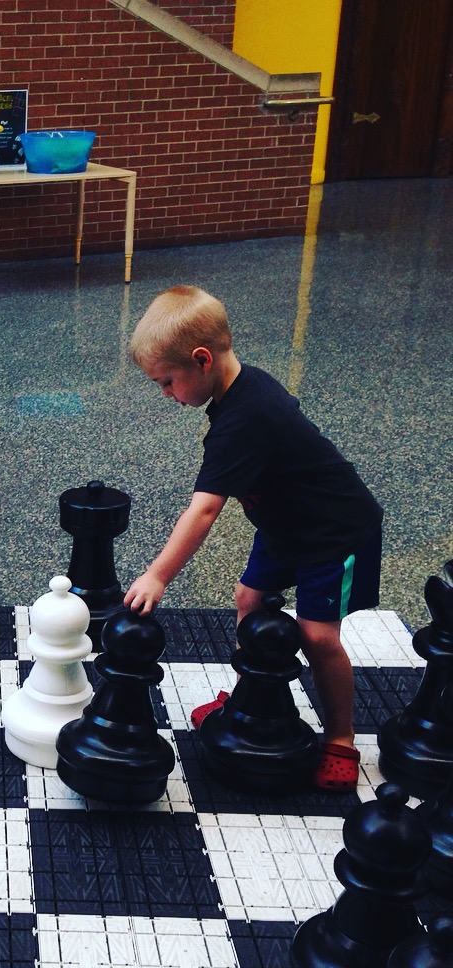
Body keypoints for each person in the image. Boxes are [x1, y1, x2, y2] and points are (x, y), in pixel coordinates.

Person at [123, 285, 383, 791]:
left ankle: (341, 738)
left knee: (317, 636)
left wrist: (157, 575)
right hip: (285, 525)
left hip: (334, 533)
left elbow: (205, 509)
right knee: (249, 597)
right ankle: (253, 696)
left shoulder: (245, 416)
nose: (166, 395)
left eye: (167, 382)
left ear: (201, 360)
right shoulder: (241, 391)